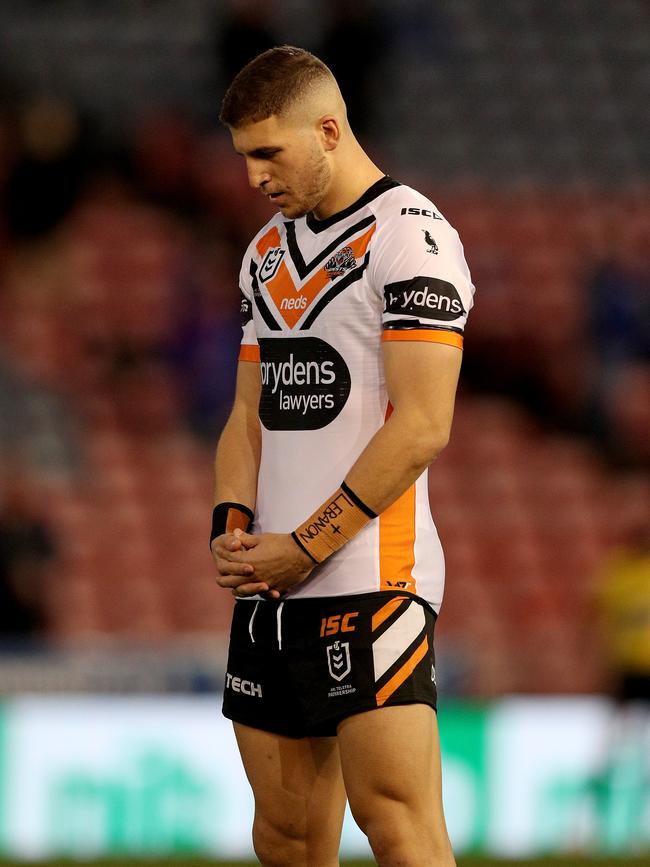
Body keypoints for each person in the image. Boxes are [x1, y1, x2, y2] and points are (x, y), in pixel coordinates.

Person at [211, 45, 474, 867]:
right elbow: (248, 413)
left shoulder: (413, 237)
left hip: (370, 573)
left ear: (328, 129)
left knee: (397, 827)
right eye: (244, 157)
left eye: (268, 153)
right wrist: (232, 524)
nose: (254, 177)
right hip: (271, 578)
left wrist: (308, 545)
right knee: (286, 837)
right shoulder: (263, 254)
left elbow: (424, 425)